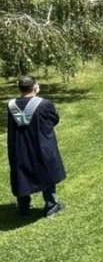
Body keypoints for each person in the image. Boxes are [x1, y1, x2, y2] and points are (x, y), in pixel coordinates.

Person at [7, 76, 67, 218]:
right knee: (47, 171)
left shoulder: (11, 105)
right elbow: (54, 119)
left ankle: (23, 207)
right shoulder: (44, 104)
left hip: (19, 147)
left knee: (21, 174)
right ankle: (51, 206)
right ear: (35, 87)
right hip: (41, 145)